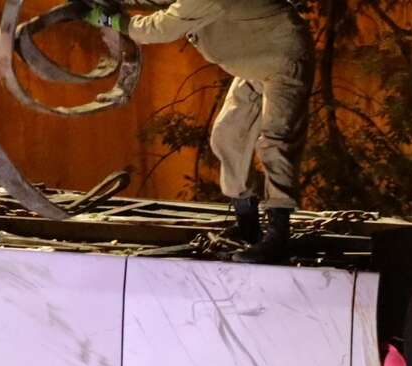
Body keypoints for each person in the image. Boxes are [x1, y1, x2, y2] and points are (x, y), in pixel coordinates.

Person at [88, 0, 312, 262]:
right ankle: (247, 223)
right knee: (227, 135)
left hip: (283, 59)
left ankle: (278, 234)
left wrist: (106, 19)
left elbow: (159, 29)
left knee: (277, 140)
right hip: (254, 63)